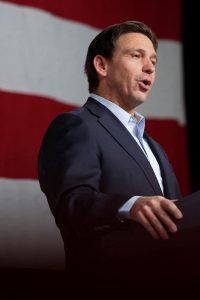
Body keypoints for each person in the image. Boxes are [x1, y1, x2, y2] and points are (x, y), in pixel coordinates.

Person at [38, 21, 183, 273]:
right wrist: (130, 205)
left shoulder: (154, 147)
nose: (149, 68)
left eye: (153, 61)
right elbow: (72, 204)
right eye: (136, 56)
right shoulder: (76, 125)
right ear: (102, 65)